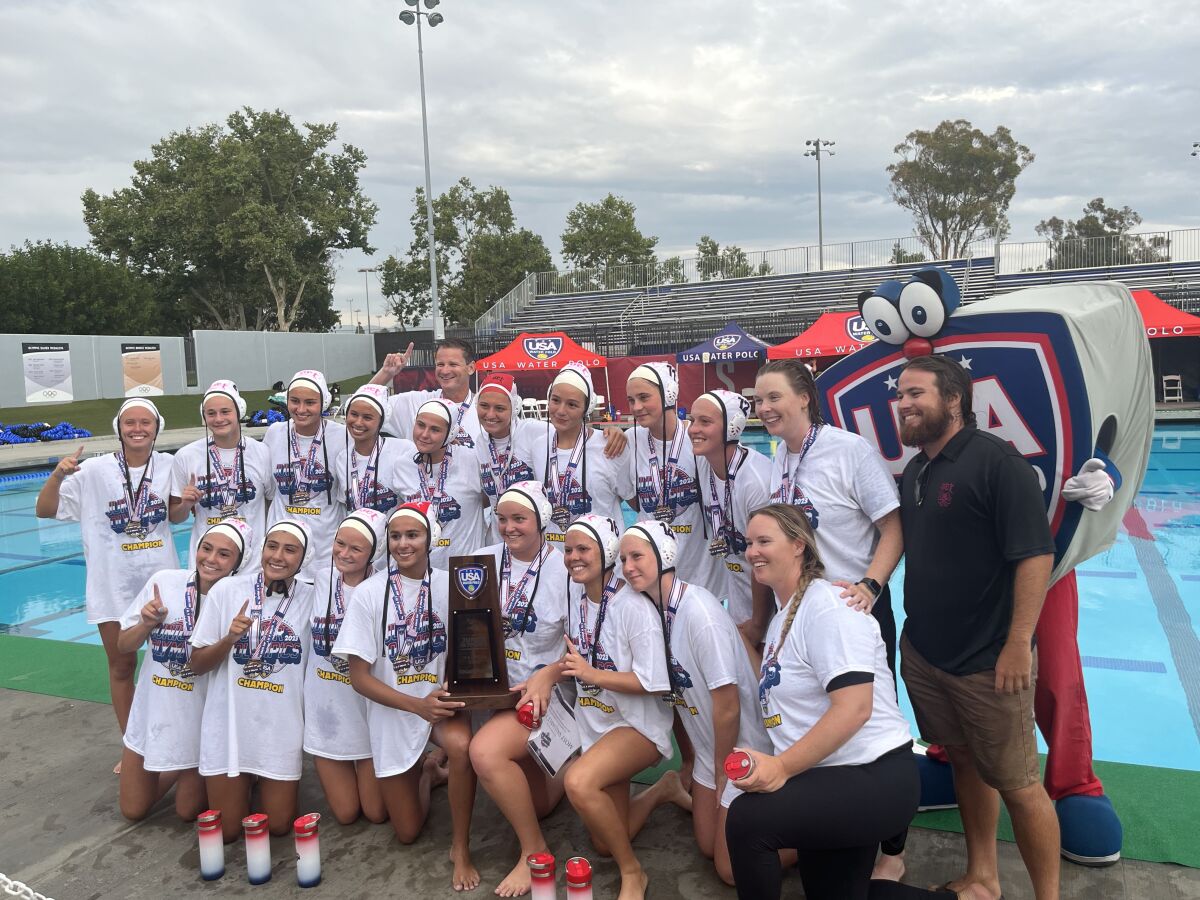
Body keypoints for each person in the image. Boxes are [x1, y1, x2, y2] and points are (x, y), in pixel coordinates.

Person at [895, 354, 1060, 900]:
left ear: (954, 400)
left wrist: (1018, 644)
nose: (905, 403)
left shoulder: (996, 463)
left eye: (916, 393)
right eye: (901, 394)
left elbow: (1035, 556)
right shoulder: (918, 469)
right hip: (927, 653)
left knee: (1019, 785)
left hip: (989, 660)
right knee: (963, 761)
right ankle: (983, 876)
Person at [724, 504, 918, 900]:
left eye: (764, 541)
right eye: (748, 543)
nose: (752, 551)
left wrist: (781, 767)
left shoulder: (828, 606)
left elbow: (855, 707)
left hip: (874, 775)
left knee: (748, 821)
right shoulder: (783, 618)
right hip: (829, 777)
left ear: (799, 546)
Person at [333, 502, 480, 892]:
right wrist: (418, 705)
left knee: (463, 747)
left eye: (412, 535)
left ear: (430, 539)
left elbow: (467, 656)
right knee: (407, 833)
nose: (403, 543)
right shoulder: (368, 594)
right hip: (395, 708)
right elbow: (359, 678)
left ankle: (460, 846)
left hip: (439, 706)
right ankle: (429, 771)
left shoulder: (453, 585)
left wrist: (445, 694)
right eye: (395, 536)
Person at [619, 520, 772, 886]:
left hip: (741, 751)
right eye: (623, 559)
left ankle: (822, 838)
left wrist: (722, 768)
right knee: (706, 845)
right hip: (709, 751)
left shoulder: (699, 613)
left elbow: (728, 704)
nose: (627, 567)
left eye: (637, 556)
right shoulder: (652, 612)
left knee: (730, 870)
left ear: (664, 556)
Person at [35, 398, 178, 771]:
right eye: (129, 422)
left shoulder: (169, 465)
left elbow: (177, 515)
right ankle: (132, 746)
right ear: (119, 427)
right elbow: (45, 509)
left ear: (156, 427)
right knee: (121, 665)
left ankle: (175, 738)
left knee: (172, 663)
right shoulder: (94, 471)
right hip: (111, 585)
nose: (137, 429)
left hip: (161, 583)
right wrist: (57, 475)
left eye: (144, 422)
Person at [754, 359, 903, 668]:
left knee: (864, 712)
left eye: (774, 397)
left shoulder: (850, 451)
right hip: (802, 611)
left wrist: (870, 587)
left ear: (805, 397)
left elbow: (894, 528)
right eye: (758, 400)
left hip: (853, 610)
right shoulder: (781, 455)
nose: (764, 408)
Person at [557, 514, 672, 900]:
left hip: (637, 726)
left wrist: (593, 675)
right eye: (568, 549)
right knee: (603, 840)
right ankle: (662, 790)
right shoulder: (574, 595)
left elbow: (652, 682)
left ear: (606, 552)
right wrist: (545, 676)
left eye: (583, 549)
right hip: (598, 725)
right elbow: (574, 654)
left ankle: (632, 871)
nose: (573, 556)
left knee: (578, 781)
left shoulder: (633, 607)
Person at [468, 481, 572, 897]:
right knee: (540, 805)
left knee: (484, 752)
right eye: (502, 519)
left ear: (541, 522)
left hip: (545, 694)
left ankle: (534, 853)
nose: (508, 528)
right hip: (495, 693)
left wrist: (549, 674)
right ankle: (565, 766)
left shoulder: (566, 569)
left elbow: (588, 645)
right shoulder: (481, 563)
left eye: (519, 519)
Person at [115, 518, 253, 822]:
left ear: (237, 563)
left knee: (187, 811)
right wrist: (146, 624)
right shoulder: (165, 582)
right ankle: (169, 762)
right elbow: (124, 645)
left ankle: (227, 770)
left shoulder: (239, 601)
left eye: (224, 554)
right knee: (133, 810)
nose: (211, 559)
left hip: (199, 723)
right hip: (154, 714)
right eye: (207, 548)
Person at [188, 520, 316, 842]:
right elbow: (197, 664)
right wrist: (229, 639)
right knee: (228, 832)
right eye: (272, 546)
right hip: (228, 726)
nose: (278, 556)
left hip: (279, 727)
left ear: (304, 557)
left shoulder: (312, 598)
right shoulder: (228, 590)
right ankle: (246, 780)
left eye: (290, 550)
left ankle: (262, 781)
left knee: (278, 826)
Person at [303, 508, 389, 826]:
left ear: (373, 553)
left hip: (366, 710)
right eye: (340, 544)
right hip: (327, 711)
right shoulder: (319, 578)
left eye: (356, 548)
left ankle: (425, 773)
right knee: (346, 813)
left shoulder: (383, 587)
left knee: (377, 813)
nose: (344, 553)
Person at [625, 362, 722, 599]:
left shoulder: (698, 439)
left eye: (644, 397)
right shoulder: (630, 440)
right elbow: (632, 500)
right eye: (631, 400)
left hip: (699, 576)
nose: (636, 407)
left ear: (669, 395)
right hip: (651, 577)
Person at [687, 389, 774, 641]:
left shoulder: (755, 481)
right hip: (738, 598)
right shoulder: (704, 463)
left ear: (733, 428)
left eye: (705, 422)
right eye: (692, 420)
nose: (694, 429)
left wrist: (758, 623)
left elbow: (766, 556)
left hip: (767, 608)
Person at [169, 380, 273, 571]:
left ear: (238, 412)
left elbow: (272, 504)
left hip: (252, 566)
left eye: (225, 412)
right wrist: (186, 504)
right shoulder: (186, 456)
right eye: (211, 413)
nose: (218, 419)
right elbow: (176, 518)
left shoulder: (262, 452)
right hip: (206, 564)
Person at [532, 363, 634, 544]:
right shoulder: (538, 447)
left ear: (587, 408)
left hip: (603, 564)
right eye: (555, 400)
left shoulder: (610, 447)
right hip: (556, 563)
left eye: (572, 404)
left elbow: (636, 504)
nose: (561, 411)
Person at [262, 369, 347, 562]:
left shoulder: (341, 436)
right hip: (281, 552)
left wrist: (385, 373)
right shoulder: (274, 433)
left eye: (310, 402)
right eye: (295, 401)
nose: (301, 409)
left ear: (323, 403)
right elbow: (267, 491)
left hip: (326, 551)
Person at [392, 397, 488, 568]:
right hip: (420, 570)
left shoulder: (472, 461)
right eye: (421, 425)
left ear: (450, 434)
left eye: (435, 430)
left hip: (464, 571)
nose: (424, 434)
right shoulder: (402, 465)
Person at [371, 338, 482, 447]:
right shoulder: (414, 403)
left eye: (453, 364)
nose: (445, 371)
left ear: (471, 368)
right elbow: (360, 406)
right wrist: (386, 373)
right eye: (440, 364)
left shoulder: (486, 410)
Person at [472, 373, 540, 541]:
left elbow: (573, 438)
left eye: (500, 408)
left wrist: (609, 434)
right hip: (498, 541)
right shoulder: (480, 442)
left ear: (514, 408)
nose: (490, 414)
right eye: (484, 406)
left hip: (532, 541)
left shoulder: (533, 432)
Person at [332, 383, 403, 517]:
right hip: (357, 535)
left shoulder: (401, 450)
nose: (358, 422)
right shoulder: (343, 459)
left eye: (367, 417)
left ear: (381, 421)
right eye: (354, 414)